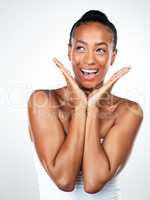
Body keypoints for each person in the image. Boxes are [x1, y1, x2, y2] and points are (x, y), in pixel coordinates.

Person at [28, 10, 143, 200]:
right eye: (81, 48)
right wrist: (81, 107)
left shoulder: (128, 111)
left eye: (100, 50)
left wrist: (93, 108)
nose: (89, 60)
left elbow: (93, 183)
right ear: (69, 51)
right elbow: (64, 180)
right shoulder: (43, 102)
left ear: (112, 56)